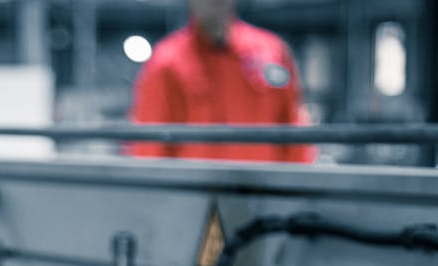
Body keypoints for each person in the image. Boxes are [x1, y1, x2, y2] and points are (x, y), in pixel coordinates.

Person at [129, 0, 314, 162]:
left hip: (264, 195)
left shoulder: (272, 52)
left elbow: (294, 130)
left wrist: (298, 193)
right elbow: (149, 148)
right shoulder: (165, 63)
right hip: (197, 197)